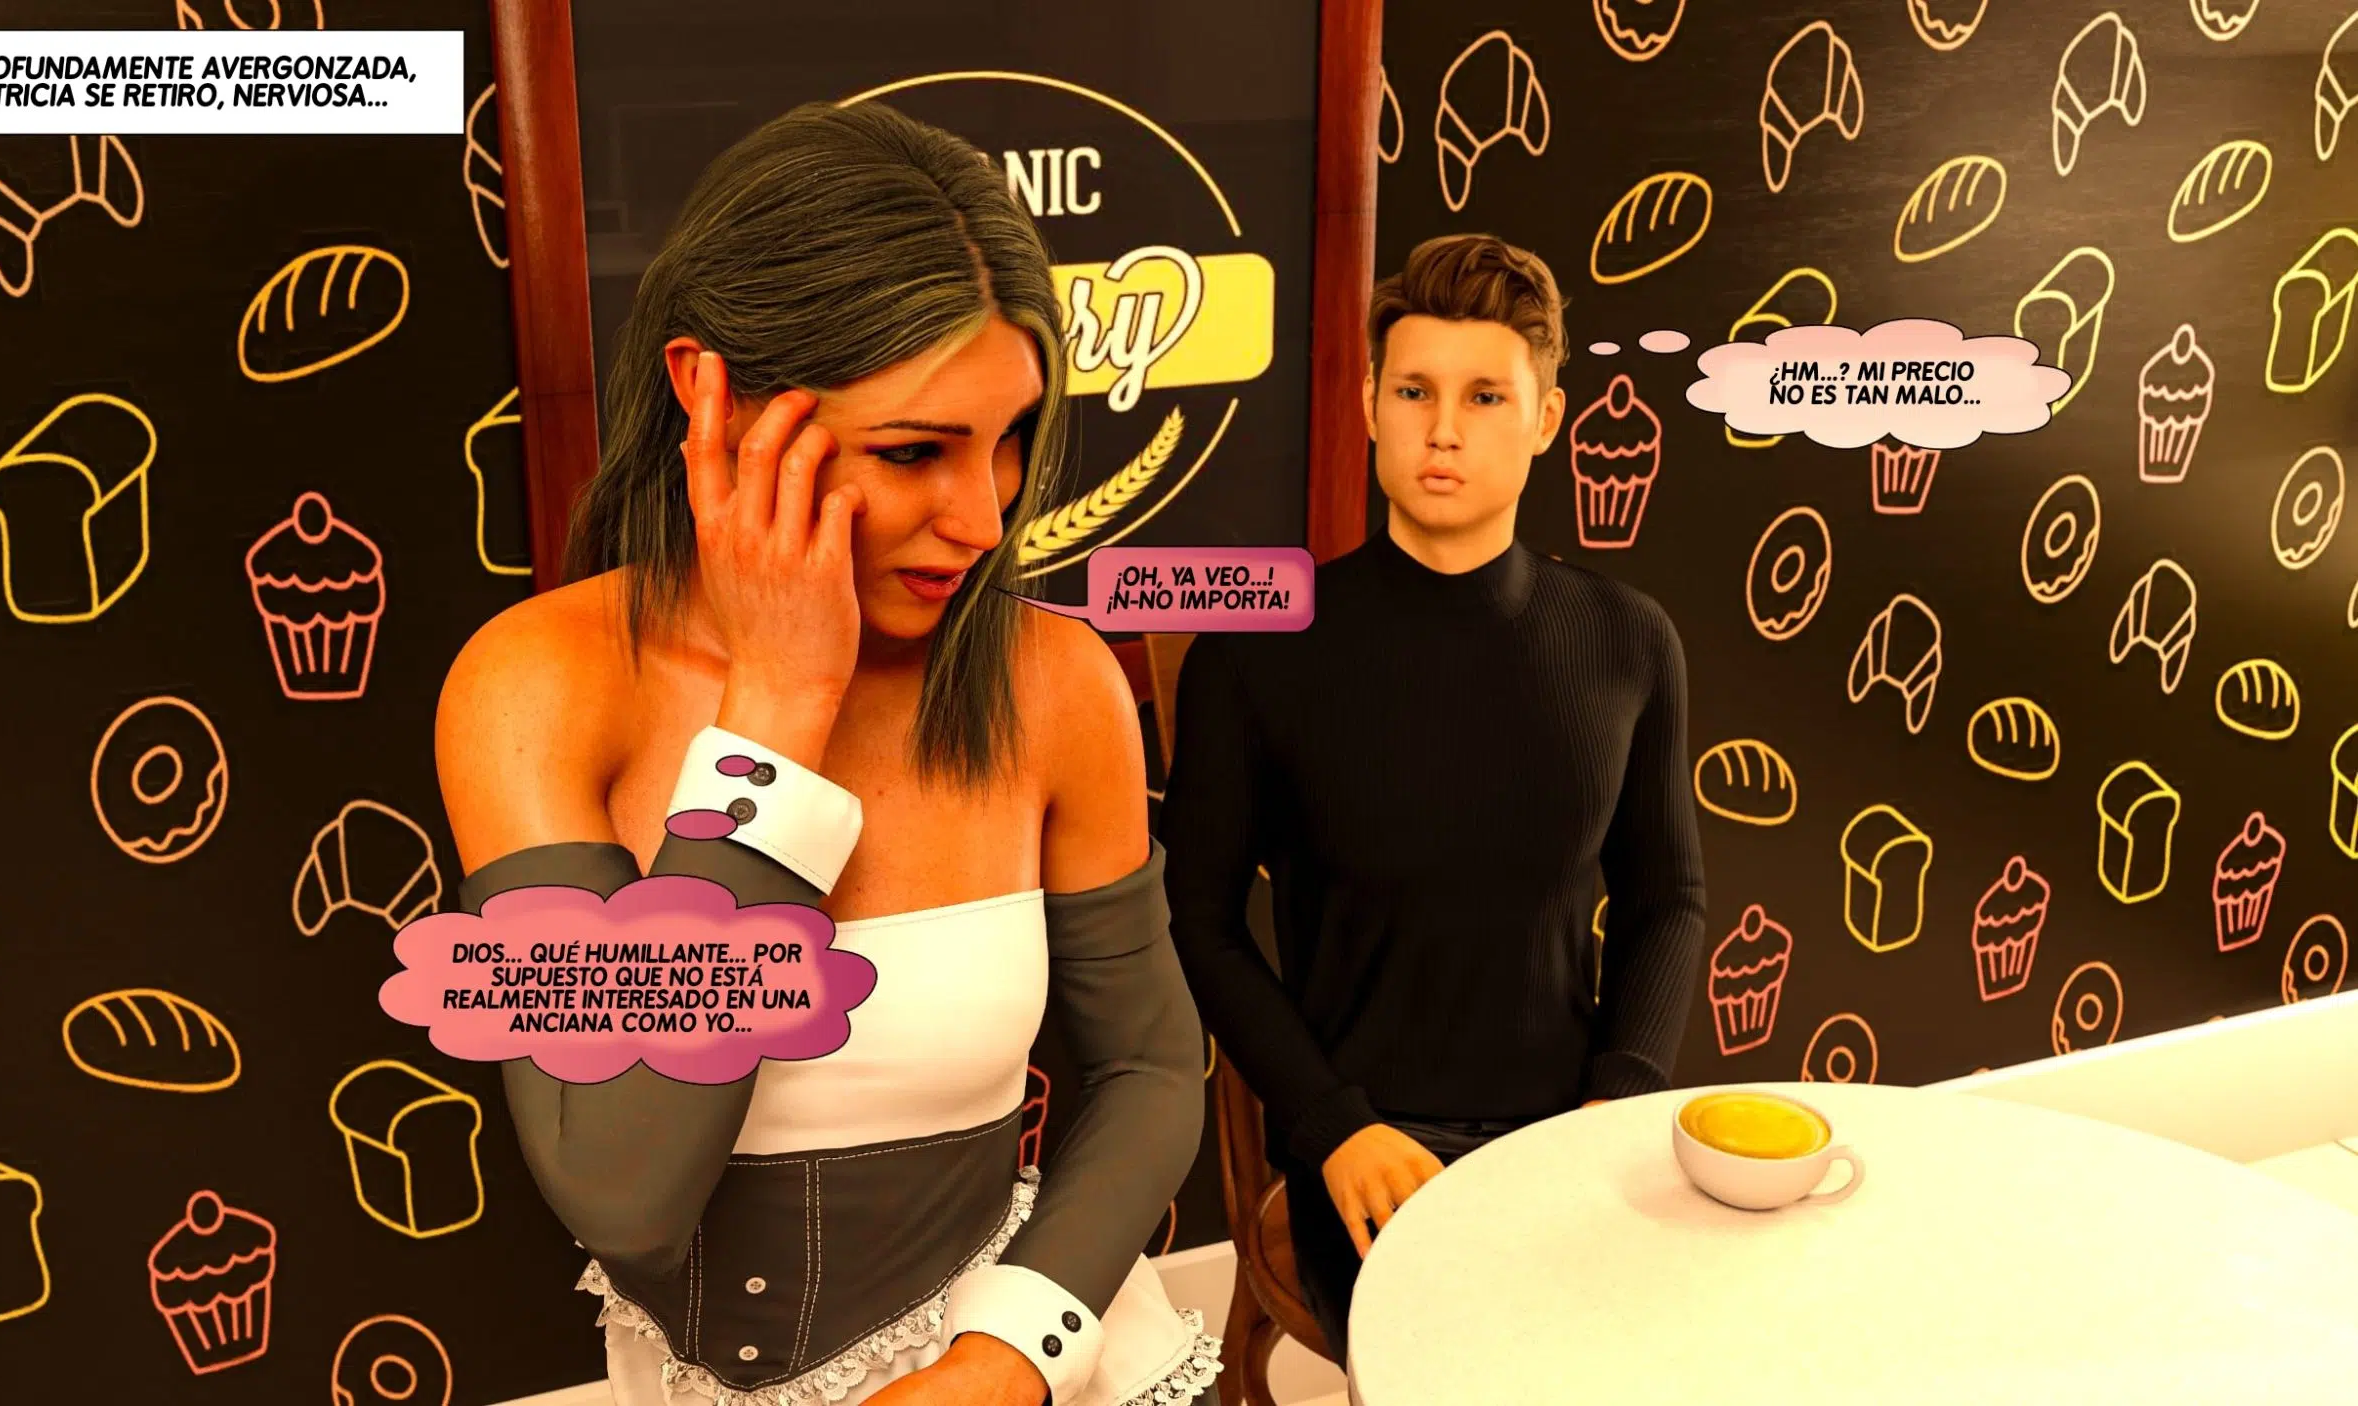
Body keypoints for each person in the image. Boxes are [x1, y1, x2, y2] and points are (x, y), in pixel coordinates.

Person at [435, 101, 1218, 1406]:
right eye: (913, 452)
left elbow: (1149, 1069)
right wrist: (775, 714)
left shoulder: (1057, 681)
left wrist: (1001, 1361)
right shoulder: (537, 686)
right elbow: (622, 1187)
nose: (984, 518)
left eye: (1009, 439)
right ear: (709, 397)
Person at [1160, 233, 1707, 1360]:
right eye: (1414, 391)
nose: (1442, 428)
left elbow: (1668, 897)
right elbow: (1200, 919)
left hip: (1571, 1137)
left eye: (1484, 395)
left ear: (1547, 418)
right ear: (1370, 403)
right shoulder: (1256, 652)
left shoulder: (1628, 639)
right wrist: (1330, 1126)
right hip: (1366, 1147)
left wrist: (1621, 1098)